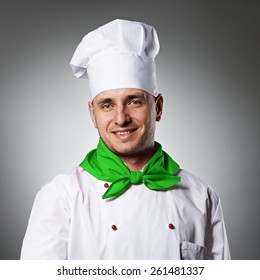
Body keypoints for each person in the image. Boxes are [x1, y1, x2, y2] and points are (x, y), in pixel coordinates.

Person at [20, 19, 230, 260]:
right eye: (107, 105)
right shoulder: (61, 197)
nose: (121, 118)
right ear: (92, 114)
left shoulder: (201, 196)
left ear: (158, 107)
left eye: (134, 101)